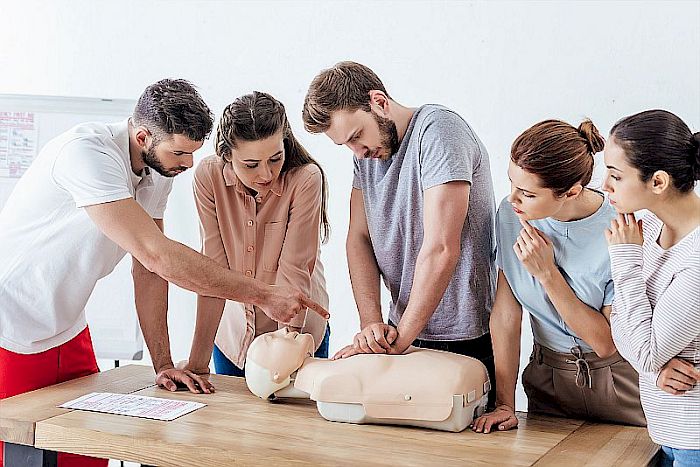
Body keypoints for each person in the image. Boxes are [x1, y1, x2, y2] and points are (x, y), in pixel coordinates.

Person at [0, 80, 327, 467]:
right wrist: (264, 294)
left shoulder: (157, 173)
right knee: (18, 446)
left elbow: (148, 272)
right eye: (180, 152)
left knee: (91, 451)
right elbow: (157, 256)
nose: (188, 164)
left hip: (66, 325)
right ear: (143, 137)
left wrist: (164, 364)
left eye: (193, 152)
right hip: (11, 322)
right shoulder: (86, 154)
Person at [302, 61, 497, 405]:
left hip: (462, 337)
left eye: (356, 136)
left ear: (379, 102)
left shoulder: (439, 132)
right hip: (401, 333)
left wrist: (397, 341)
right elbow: (359, 239)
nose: (358, 151)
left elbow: (441, 248)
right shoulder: (366, 157)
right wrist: (372, 326)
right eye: (346, 145)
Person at [472, 119, 645, 435]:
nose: (513, 199)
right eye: (511, 183)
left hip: (621, 384)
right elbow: (507, 314)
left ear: (572, 191)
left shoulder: (621, 227)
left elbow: (606, 343)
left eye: (528, 193)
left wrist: (547, 274)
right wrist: (504, 404)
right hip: (547, 382)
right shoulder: (511, 215)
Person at [183, 91, 330, 378]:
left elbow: (294, 270)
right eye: (251, 165)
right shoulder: (209, 177)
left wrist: (287, 351)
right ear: (227, 155)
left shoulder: (305, 178)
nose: (266, 174)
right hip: (233, 336)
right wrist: (197, 365)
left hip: (298, 333)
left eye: (275, 158)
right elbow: (212, 273)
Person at [603, 109, 700, 466]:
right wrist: (655, 369)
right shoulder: (645, 226)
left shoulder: (695, 258)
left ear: (658, 182)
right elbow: (618, 322)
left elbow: (644, 350)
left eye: (616, 175)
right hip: (664, 431)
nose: (605, 186)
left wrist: (625, 261)